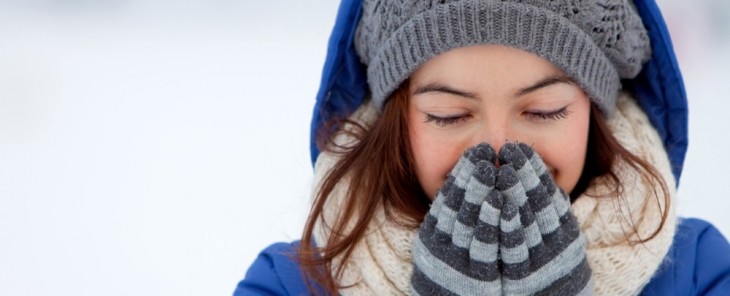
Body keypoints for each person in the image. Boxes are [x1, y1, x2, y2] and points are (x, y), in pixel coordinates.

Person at [234, 0, 730, 295]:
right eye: (449, 116)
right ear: (397, 123)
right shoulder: (290, 283)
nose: (497, 149)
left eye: (544, 111)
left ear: (595, 113)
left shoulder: (698, 273)